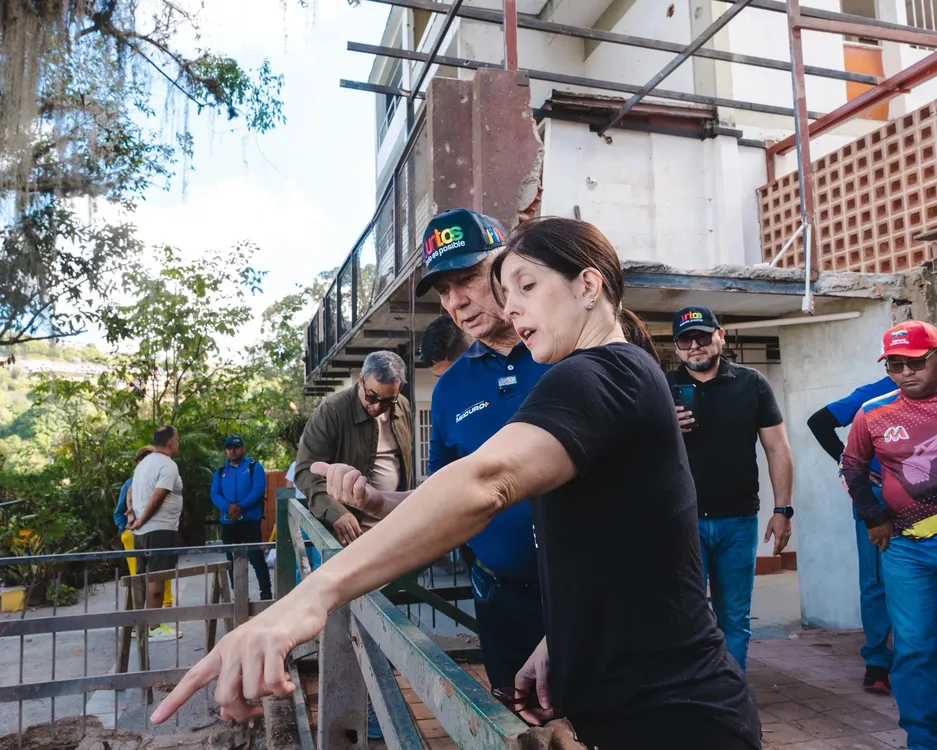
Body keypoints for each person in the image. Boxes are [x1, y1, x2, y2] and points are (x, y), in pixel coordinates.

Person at [154, 217, 761, 750]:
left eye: (523, 286)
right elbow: (635, 537)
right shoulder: (593, 373)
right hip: (596, 670)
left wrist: (304, 602)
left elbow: (484, 482)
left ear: (588, 285)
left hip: (672, 713)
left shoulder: (599, 371)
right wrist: (569, 635)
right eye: (504, 291)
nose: (508, 304)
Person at [666, 306, 794, 672]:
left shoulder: (751, 382)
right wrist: (663, 425)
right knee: (685, 617)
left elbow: (777, 448)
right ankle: (694, 695)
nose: (694, 346)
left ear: (720, 335)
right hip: (682, 522)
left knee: (734, 617)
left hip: (739, 520)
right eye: (685, 340)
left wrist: (782, 510)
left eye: (702, 337)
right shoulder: (661, 385)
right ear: (676, 347)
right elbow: (632, 450)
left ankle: (731, 693)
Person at [840, 320, 937, 749]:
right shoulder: (873, 412)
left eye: (915, 362)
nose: (905, 373)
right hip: (906, 548)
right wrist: (873, 516)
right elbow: (853, 466)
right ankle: (922, 739)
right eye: (895, 365)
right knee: (915, 647)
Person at [807, 377, 895, 693]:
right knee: (876, 581)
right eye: (896, 362)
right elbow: (819, 422)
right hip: (878, 502)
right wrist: (850, 463)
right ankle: (878, 662)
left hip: (927, 504)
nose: (906, 370)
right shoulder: (874, 394)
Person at [293, 350, 413, 547]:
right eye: (372, 397)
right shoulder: (332, 411)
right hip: (351, 531)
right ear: (360, 380)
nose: (377, 407)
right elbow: (305, 471)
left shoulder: (402, 406)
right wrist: (336, 512)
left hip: (394, 525)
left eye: (388, 401)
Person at [127, 425, 183, 641]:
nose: (178, 443)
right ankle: (153, 627)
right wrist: (141, 518)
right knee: (157, 578)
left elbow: (131, 491)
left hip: (142, 532)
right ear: (171, 442)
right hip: (159, 529)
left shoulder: (143, 465)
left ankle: (138, 624)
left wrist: (132, 515)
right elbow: (158, 496)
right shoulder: (167, 465)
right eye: (177, 439)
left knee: (142, 577)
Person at [210, 434, 272, 601]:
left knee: (256, 558)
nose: (233, 451)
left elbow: (258, 489)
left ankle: (265, 593)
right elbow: (214, 493)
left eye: (236, 447)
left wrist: (240, 506)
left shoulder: (253, 467)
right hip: (229, 523)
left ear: (242, 448)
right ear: (226, 451)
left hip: (250, 521)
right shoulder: (221, 471)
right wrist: (227, 507)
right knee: (231, 560)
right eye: (229, 448)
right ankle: (239, 595)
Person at [115, 445, 174, 609]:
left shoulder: (162, 480)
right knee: (138, 577)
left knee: (162, 574)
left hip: (157, 532)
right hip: (135, 534)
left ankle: (162, 616)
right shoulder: (129, 484)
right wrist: (124, 530)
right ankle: (139, 619)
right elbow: (119, 512)